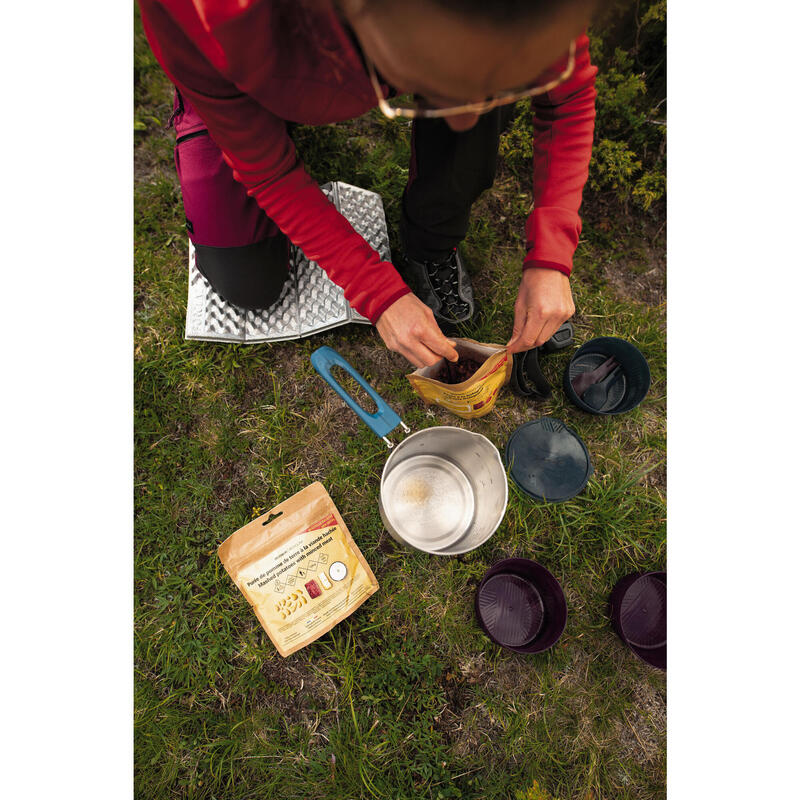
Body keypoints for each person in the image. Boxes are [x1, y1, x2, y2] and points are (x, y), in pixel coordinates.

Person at [139, 0, 599, 368]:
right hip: (239, 77)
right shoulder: (205, 16)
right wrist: (377, 294)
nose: (466, 120)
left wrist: (551, 258)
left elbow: (570, 97)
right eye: (441, 91)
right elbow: (268, 171)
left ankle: (431, 243)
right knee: (248, 286)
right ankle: (238, 105)